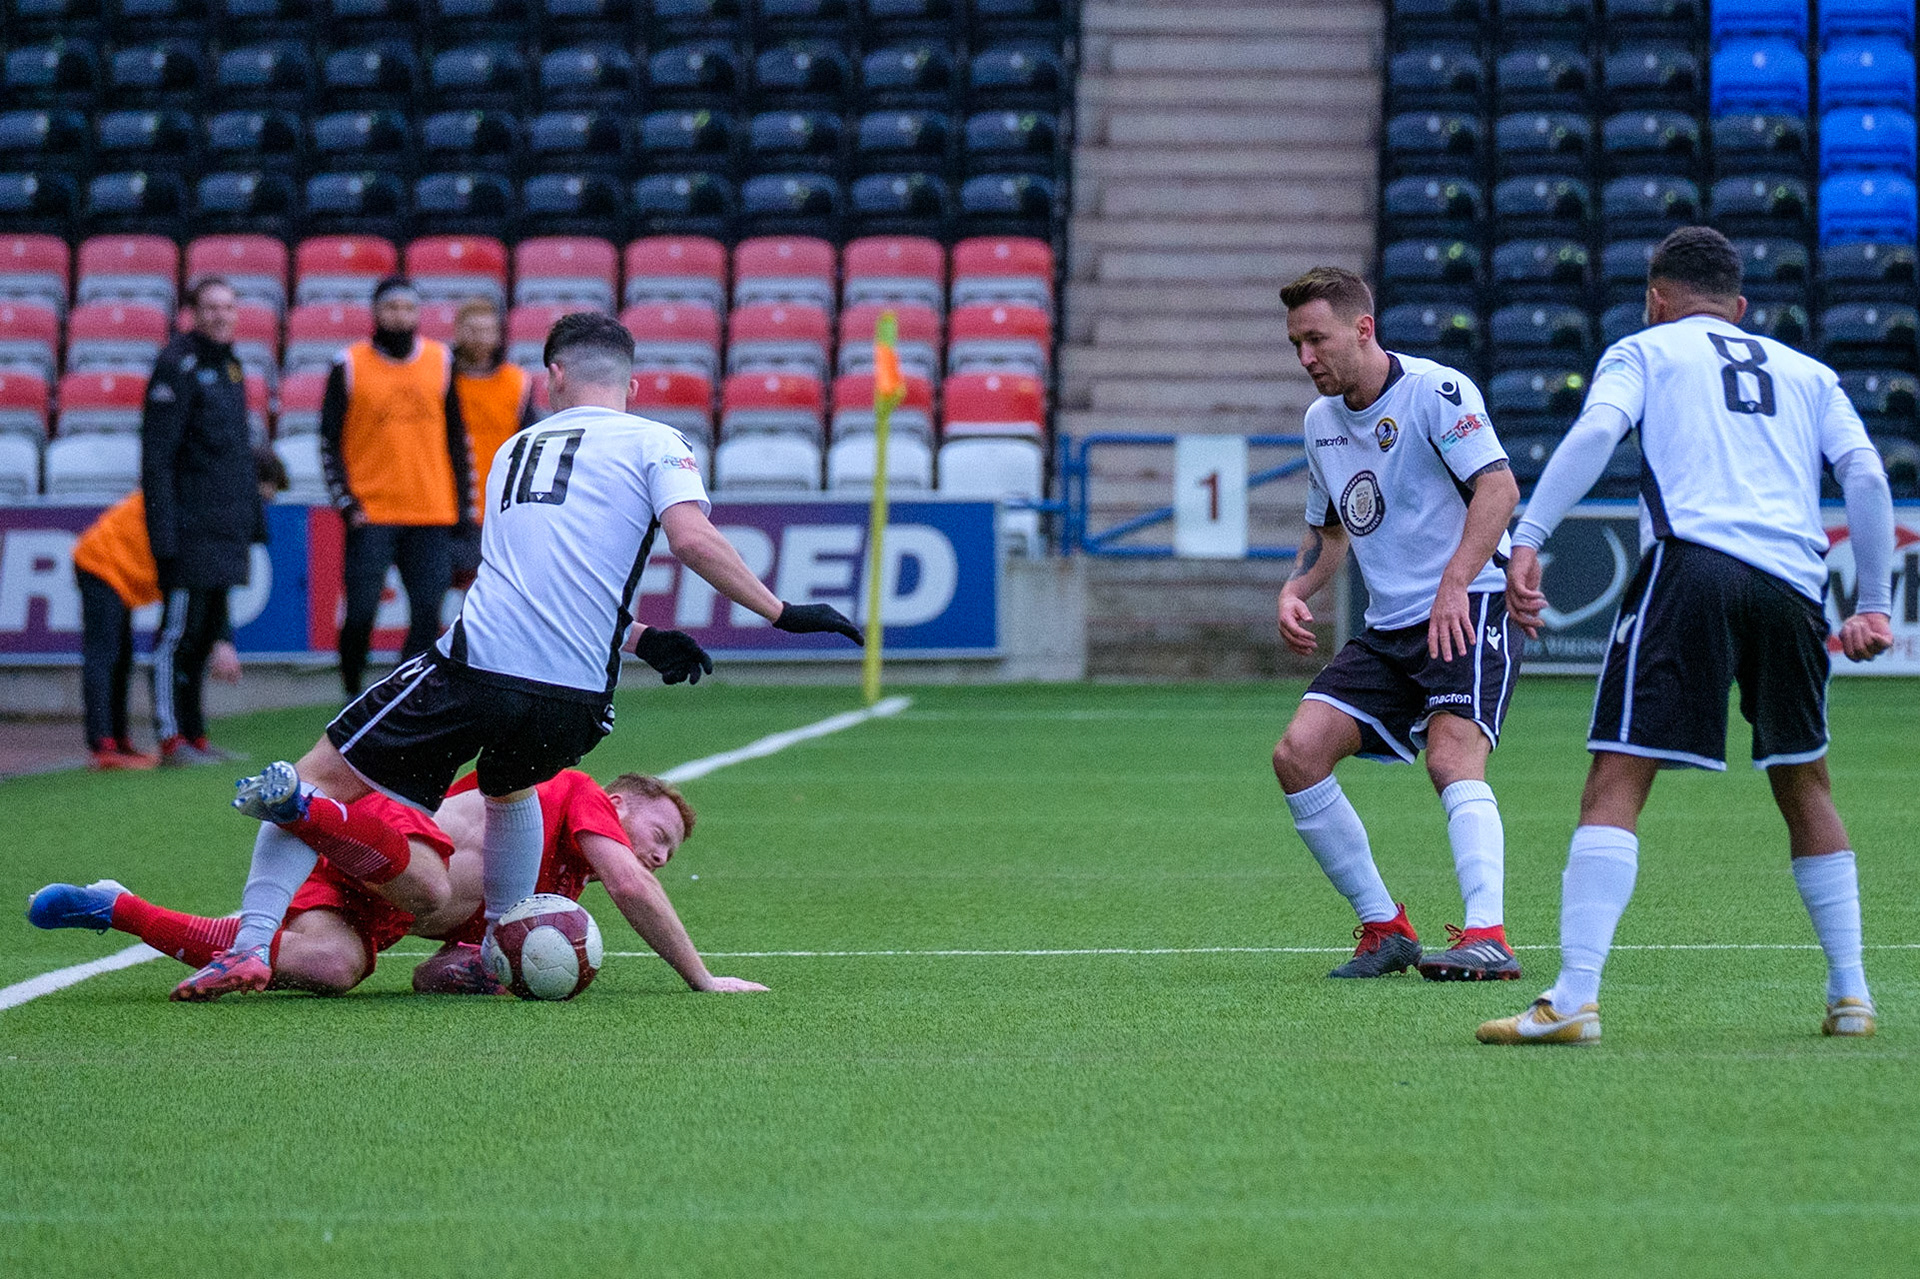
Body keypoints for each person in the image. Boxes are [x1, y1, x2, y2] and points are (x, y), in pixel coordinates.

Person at [175, 310, 861, 1001]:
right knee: (511, 786)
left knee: (314, 776)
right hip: (577, 702)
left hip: (480, 669)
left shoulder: (513, 451)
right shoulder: (659, 441)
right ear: (634, 380)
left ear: (552, 375)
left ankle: (250, 946)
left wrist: (732, 618)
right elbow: (688, 539)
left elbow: (534, 578)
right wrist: (759, 616)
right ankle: (497, 944)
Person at [1478, 226, 1898, 1045]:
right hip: (1793, 584)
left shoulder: (1645, 350)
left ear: (1655, 297)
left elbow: (1599, 433)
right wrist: (1873, 601)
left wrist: (1528, 535)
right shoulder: (1811, 374)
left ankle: (1572, 998)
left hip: (1693, 568)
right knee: (1805, 781)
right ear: (1740, 308)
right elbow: (1868, 476)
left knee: (1618, 775)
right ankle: (1852, 994)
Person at [1273, 266, 1525, 982]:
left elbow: (1498, 487)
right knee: (1297, 754)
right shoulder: (1320, 424)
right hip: (1390, 628)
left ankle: (1488, 936)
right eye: (1295, 344)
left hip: (1469, 606)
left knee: (1451, 759)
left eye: (1315, 339)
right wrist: (1297, 589)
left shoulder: (1436, 392)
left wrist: (1453, 583)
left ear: (1363, 328)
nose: (1305, 358)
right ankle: (1387, 927)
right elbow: (1330, 534)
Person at [25, 770, 762, 998]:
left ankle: (115, 905)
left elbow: (437, 970)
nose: (659, 857)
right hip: (394, 836)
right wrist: (701, 977)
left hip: (378, 901)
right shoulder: (577, 793)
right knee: (434, 889)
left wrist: (490, 974)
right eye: (660, 836)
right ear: (622, 802)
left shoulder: (555, 902)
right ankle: (305, 804)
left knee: (329, 967)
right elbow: (631, 883)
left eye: (667, 850)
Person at [71, 451, 288, 770]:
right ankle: (103, 744)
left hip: (124, 571)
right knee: (106, 654)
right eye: (262, 498)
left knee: (122, 657)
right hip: (102, 562)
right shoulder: (205, 502)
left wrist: (220, 637)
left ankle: (119, 742)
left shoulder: (213, 504)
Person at [319, 276, 475, 697]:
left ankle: (401, 696)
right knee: (361, 614)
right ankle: (351, 693)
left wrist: (463, 509)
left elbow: (457, 440)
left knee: (427, 613)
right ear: (376, 312)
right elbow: (328, 441)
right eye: (392, 308)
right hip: (373, 512)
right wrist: (347, 502)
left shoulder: (441, 360)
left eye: (408, 308)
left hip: (432, 510)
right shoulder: (348, 364)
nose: (400, 316)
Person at [140, 277, 267, 765]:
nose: (221, 316)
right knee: (177, 637)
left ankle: (195, 735)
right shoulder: (176, 366)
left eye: (229, 307)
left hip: (224, 527)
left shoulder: (233, 367)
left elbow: (236, 455)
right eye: (211, 307)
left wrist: (251, 520)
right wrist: (163, 532)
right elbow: (157, 459)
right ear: (191, 312)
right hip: (188, 528)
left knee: (203, 636)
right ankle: (170, 738)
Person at [449, 298, 535, 587]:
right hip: (447, 505)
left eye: (487, 330)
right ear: (458, 332)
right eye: (472, 330)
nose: (480, 338)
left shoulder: (517, 381)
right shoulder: (440, 380)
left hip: (500, 504)